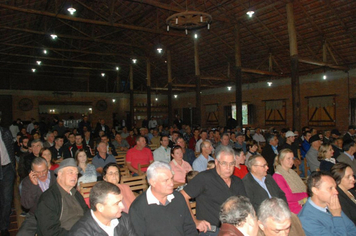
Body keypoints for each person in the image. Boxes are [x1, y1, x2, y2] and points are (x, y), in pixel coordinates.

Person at [181, 146, 247, 235]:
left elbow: (245, 205)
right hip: (212, 230)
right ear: (216, 162)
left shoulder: (237, 181)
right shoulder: (204, 178)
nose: (228, 167)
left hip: (235, 229)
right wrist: (195, 221)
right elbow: (182, 196)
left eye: (231, 164)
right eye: (224, 163)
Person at [129, 161, 197, 236]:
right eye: (166, 180)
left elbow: (189, 228)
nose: (171, 183)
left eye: (171, 178)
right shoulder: (138, 207)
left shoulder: (178, 198)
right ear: (152, 182)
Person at [36, 158, 89, 235]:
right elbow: (50, 231)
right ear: (60, 174)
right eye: (71, 172)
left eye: (76, 173)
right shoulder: (48, 198)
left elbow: (88, 215)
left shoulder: (76, 194)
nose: (75, 176)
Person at [298, 171, 356, 235]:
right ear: (315, 191)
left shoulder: (330, 204)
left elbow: (352, 228)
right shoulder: (306, 219)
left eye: (335, 188)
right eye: (330, 188)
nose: (336, 192)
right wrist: (337, 216)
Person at [69, 181, 136, 236]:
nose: (123, 206)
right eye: (117, 203)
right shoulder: (80, 233)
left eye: (121, 201)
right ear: (100, 207)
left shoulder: (125, 219)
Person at [17, 157, 56, 236]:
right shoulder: (27, 182)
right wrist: (34, 186)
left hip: (55, 214)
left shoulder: (55, 176)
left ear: (48, 167)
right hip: (35, 217)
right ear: (32, 172)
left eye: (44, 171)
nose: (42, 174)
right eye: (37, 172)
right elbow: (26, 205)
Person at [272, 149, 308, 214]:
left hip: (302, 203)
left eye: (292, 158)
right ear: (281, 160)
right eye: (288, 158)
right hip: (291, 208)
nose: (291, 161)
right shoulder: (277, 176)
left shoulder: (292, 172)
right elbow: (288, 197)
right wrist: (306, 194)